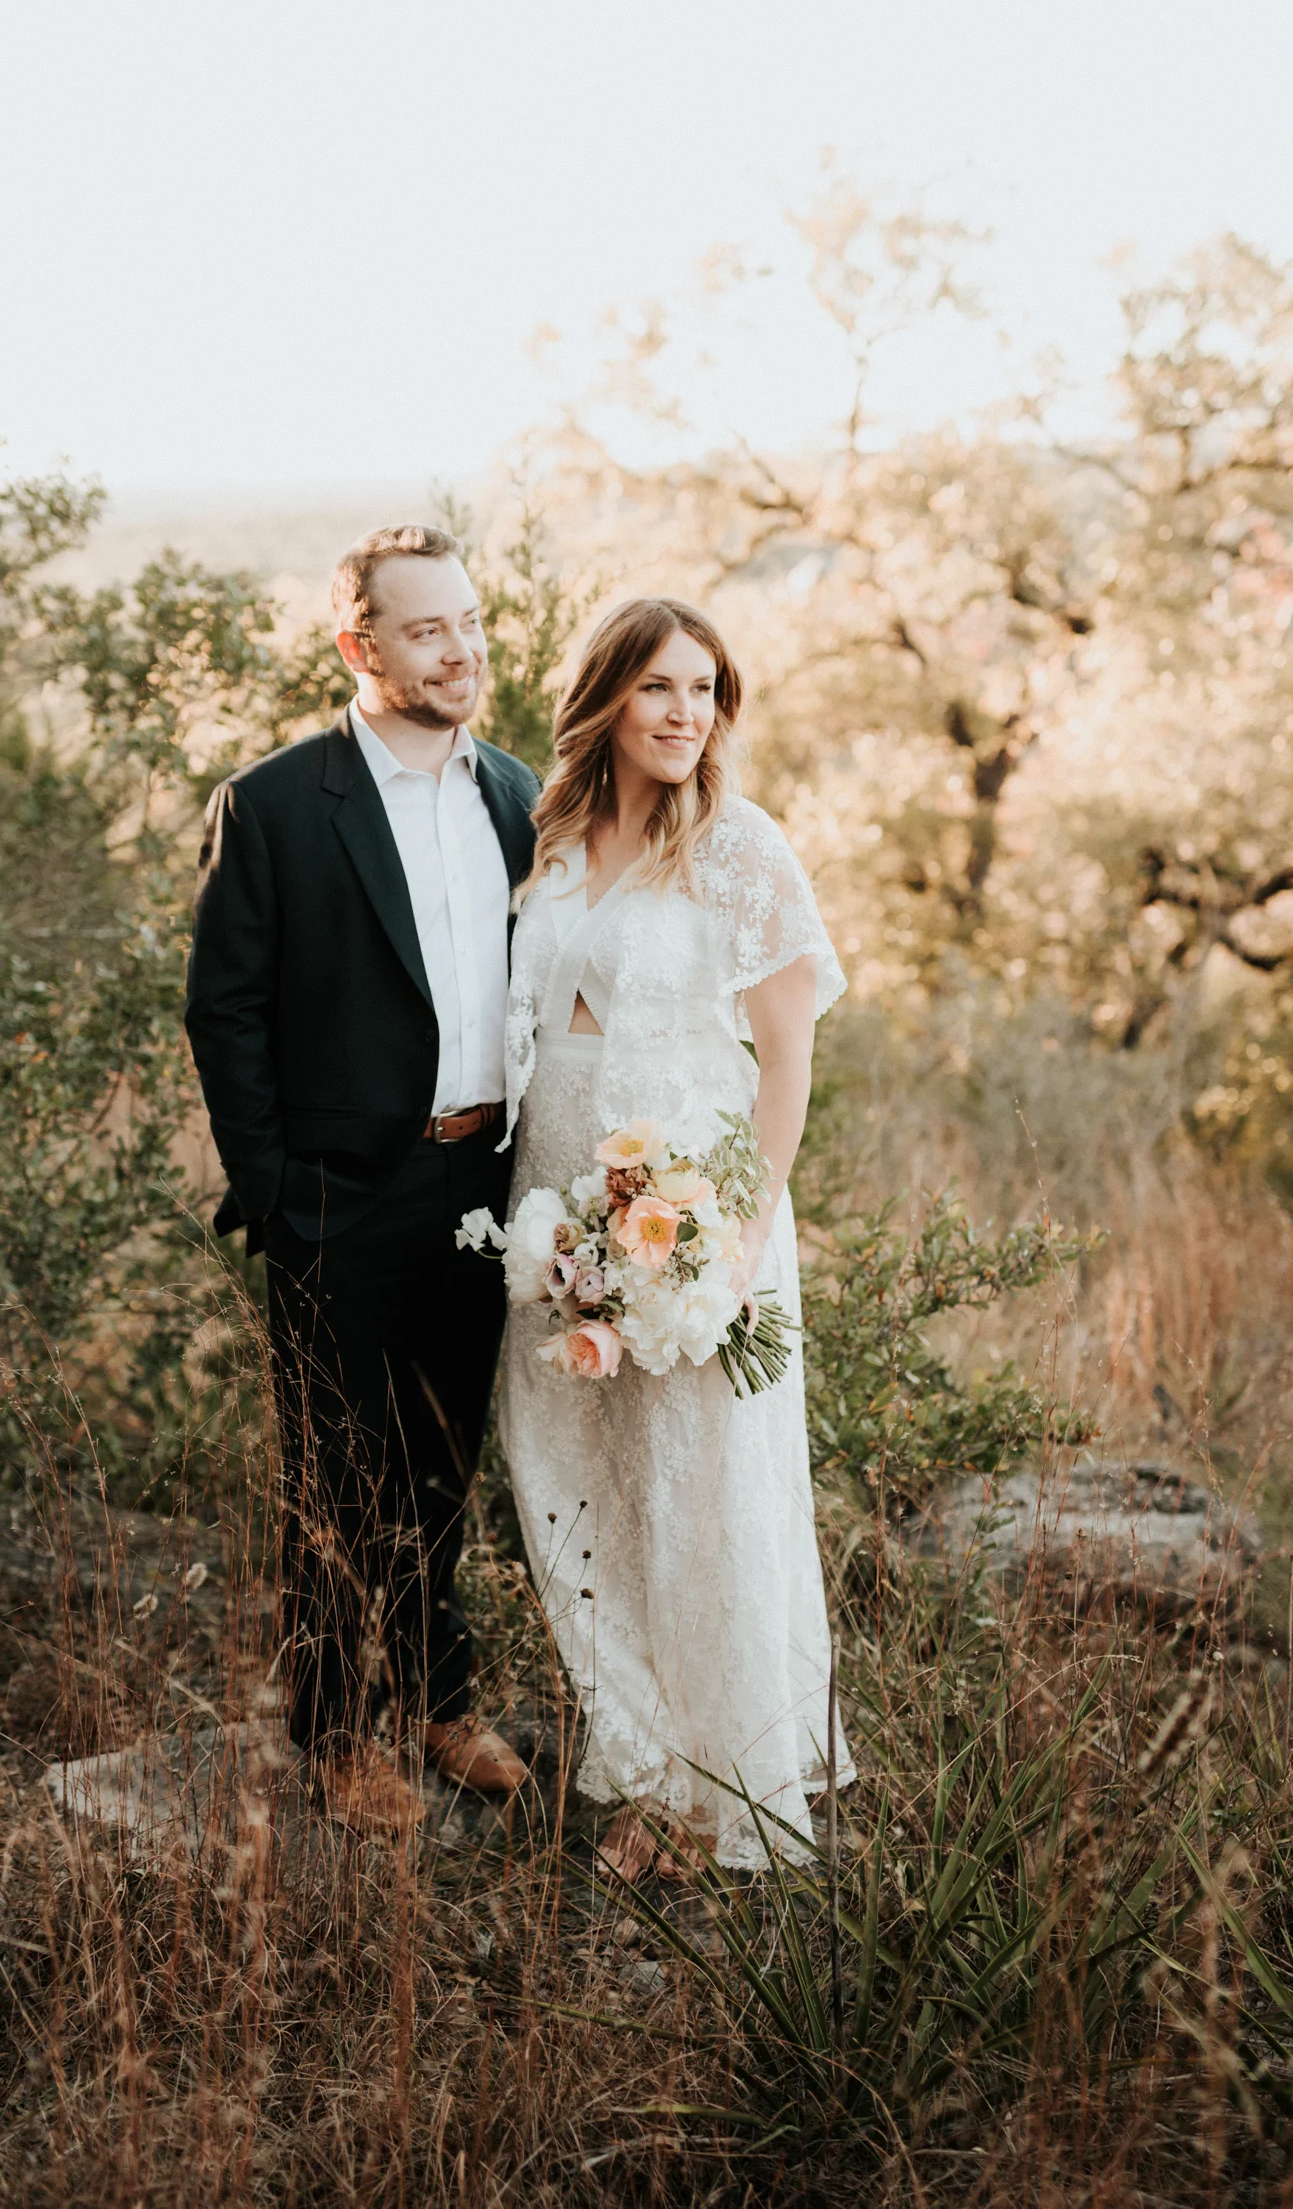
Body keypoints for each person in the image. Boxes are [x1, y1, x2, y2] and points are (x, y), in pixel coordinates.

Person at [185, 524, 539, 1834]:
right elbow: (224, 1009)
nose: (463, 648)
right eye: (428, 627)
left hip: (487, 1183)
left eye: (471, 620)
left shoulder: (521, 793)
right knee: (339, 1473)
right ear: (361, 646)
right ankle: (336, 1733)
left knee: (444, 1465)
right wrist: (276, 1189)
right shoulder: (276, 803)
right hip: (340, 1192)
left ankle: (440, 1702)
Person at [497, 597, 854, 1877]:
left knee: (701, 1491)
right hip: (559, 1208)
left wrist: (739, 1241)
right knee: (572, 1475)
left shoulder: (741, 849)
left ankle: (721, 1790)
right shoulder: (549, 837)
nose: (684, 714)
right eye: (658, 688)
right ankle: (640, 1760)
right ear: (607, 699)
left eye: (704, 690)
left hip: (696, 1211)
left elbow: (789, 1059)